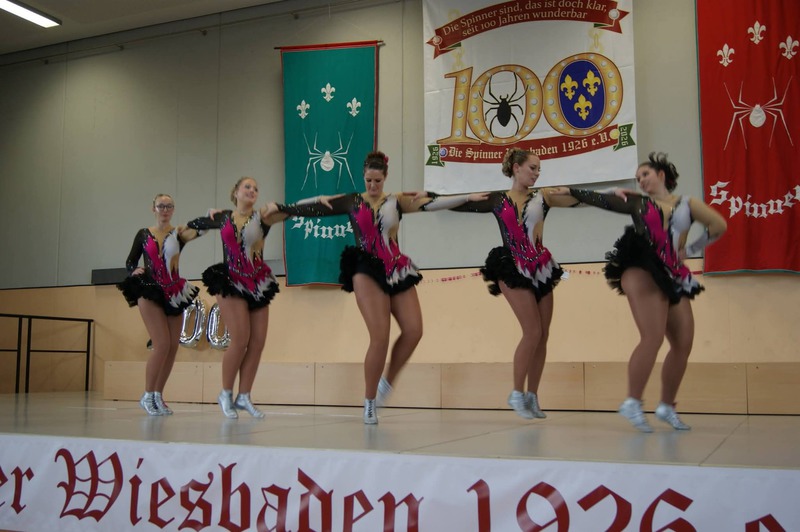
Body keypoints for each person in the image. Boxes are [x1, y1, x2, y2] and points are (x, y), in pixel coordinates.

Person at [270, 150, 485, 424]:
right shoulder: (352, 201)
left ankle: (388, 381)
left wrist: (466, 197)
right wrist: (285, 207)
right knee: (380, 337)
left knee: (414, 330)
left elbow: (433, 204)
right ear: (363, 177)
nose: (373, 186)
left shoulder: (397, 201)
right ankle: (369, 401)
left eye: (378, 181)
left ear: (386, 178)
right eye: (369, 180)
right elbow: (314, 208)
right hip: (365, 269)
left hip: (395, 267)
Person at [561, 152, 727, 432]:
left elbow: (718, 226)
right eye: (638, 178)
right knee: (652, 337)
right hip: (641, 268)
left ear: (661, 175)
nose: (640, 181)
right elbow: (599, 200)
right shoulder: (638, 202)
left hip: (672, 273)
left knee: (683, 343)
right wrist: (594, 190)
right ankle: (633, 401)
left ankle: (666, 406)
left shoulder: (687, 203)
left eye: (645, 175)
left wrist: (690, 249)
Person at [448, 148, 577, 420]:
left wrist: (578, 193)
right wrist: (466, 197)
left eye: (539, 169)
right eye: (533, 168)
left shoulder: (543, 197)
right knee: (532, 331)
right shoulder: (498, 200)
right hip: (512, 267)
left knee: (543, 334)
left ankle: (532, 396)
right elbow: (453, 205)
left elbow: (580, 200)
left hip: (541, 268)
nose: (537, 173)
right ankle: (516, 393)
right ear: (516, 168)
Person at [186, 177, 285, 419]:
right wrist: (206, 216)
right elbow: (193, 226)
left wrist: (279, 207)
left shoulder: (262, 217)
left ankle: (244, 396)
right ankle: (226, 393)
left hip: (257, 281)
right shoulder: (224, 217)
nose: (252, 190)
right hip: (230, 279)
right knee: (240, 340)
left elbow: (291, 213)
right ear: (236, 192)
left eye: (256, 188)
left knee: (258, 342)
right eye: (247, 187)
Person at [117, 194, 201, 416]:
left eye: (169, 206)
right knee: (161, 344)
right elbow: (130, 261)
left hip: (174, 290)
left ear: (173, 209)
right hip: (150, 290)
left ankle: (157, 395)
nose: (165, 209)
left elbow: (199, 231)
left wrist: (212, 220)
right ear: (153, 208)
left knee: (172, 347)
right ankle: (147, 395)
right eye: (161, 206)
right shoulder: (143, 234)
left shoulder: (178, 233)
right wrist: (132, 270)